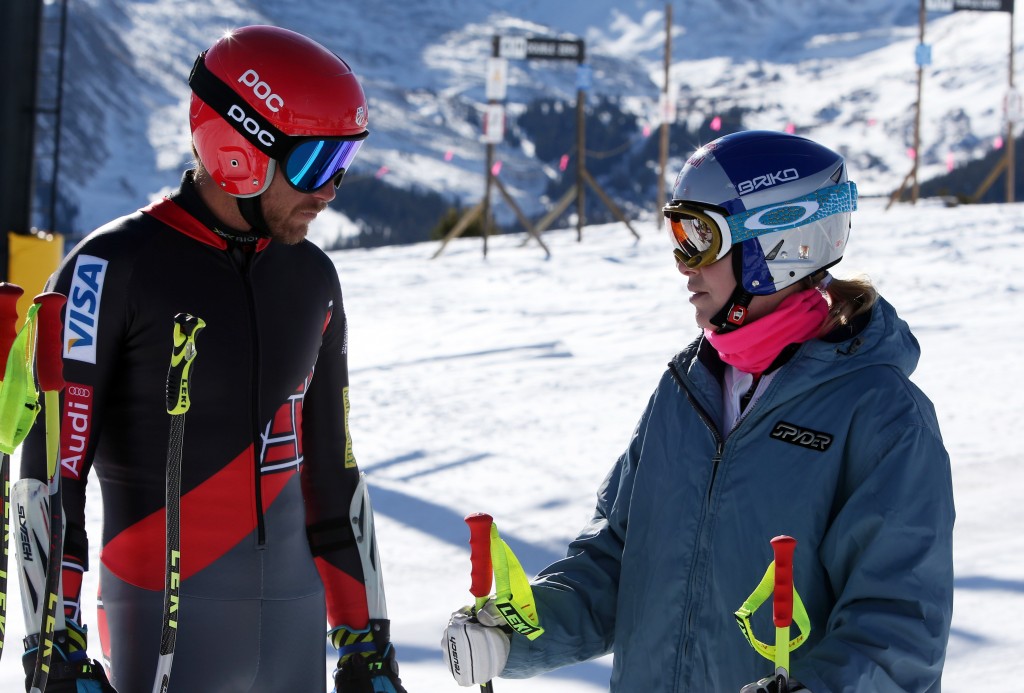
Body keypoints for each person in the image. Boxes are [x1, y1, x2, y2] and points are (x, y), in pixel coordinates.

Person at [442, 130, 955, 692]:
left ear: (776, 246)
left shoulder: (880, 416)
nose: (684, 266)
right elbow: (615, 563)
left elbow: (899, 625)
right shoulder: (687, 389)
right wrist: (513, 632)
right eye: (678, 237)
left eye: (699, 239)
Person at [19, 25, 406, 693]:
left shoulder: (313, 278)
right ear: (239, 152)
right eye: (316, 164)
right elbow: (52, 477)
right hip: (161, 628)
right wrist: (53, 642)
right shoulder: (111, 270)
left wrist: (368, 644)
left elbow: (333, 471)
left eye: (344, 164)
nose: (331, 190)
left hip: (293, 631)